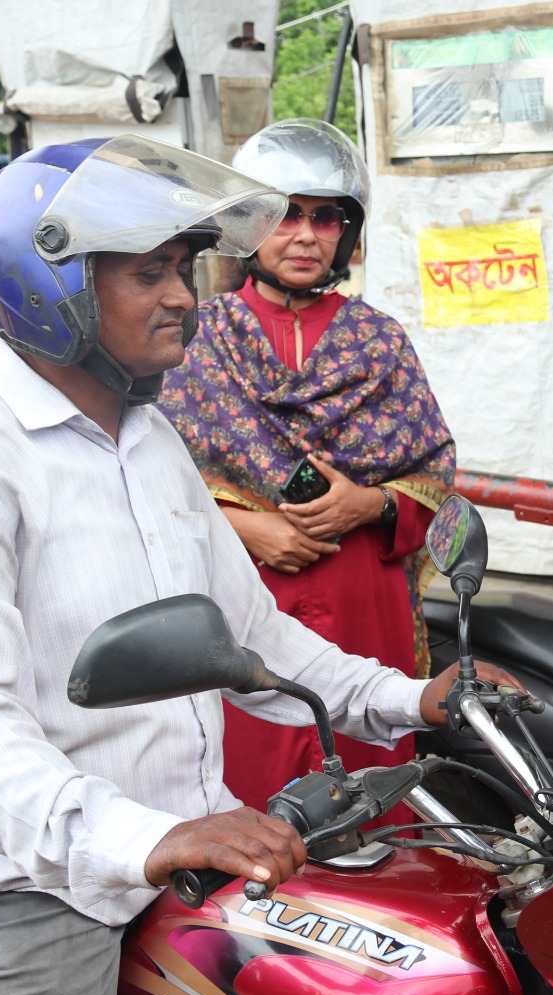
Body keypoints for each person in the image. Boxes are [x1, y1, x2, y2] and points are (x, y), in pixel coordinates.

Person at [0, 135, 516, 995]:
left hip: (183, 861)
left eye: (184, 269)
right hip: (27, 889)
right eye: (150, 273)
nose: (183, 296)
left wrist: (418, 699)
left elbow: (254, 640)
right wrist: (154, 835)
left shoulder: (150, 437)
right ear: (55, 290)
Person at [158, 119, 454, 808]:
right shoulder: (197, 337)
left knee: (372, 798)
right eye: (286, 213)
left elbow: (436, 480)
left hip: (363, 605)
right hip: (242, 603)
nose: (305, 235)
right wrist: (244, 529)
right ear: (247, 226)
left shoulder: (380, 342)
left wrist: (374, 505)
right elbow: (154, 482)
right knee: (250, 806)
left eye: (326, 218)